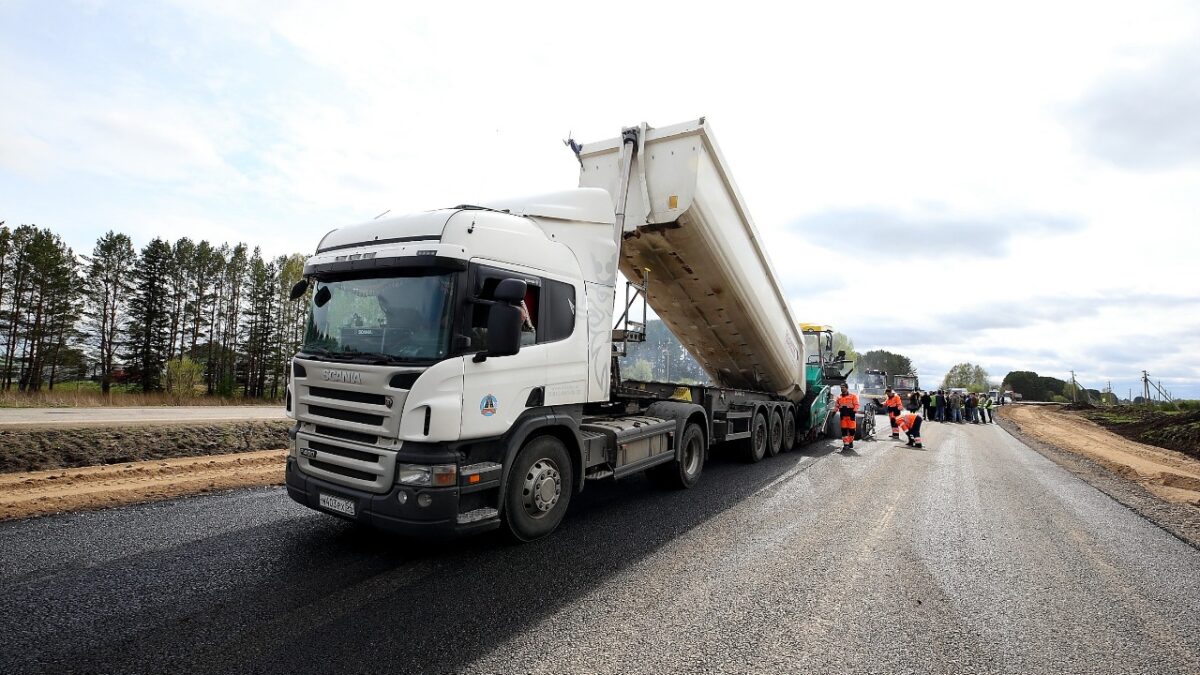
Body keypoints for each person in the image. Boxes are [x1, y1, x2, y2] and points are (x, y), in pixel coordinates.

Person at [835, 384, 859, 452]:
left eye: (843, 387)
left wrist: (854, 411)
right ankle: (846, 444)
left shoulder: (853, 396)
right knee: (844, 431)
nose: (842, 389)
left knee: (852, 431)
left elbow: (856, 405)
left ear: (847, 388)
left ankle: (850, 442)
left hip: (851, 416)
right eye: (841, 388)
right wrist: (834, 412)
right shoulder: (839, 397)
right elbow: (836, 406)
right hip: (843, 416)